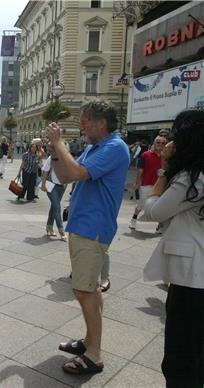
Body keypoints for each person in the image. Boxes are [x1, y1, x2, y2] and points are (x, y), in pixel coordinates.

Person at [46, 99, 129, 375]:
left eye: (84, 121)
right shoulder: (97, 147)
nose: (81, 126)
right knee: (90, 288)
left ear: (101, 123)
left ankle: (94, 354)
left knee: (82, 290)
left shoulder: (114, 147)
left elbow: (79, 172)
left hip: (92, 228)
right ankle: (90, 341)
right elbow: (66, 176)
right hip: (84, 225)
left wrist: (60, 143)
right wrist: (56, 151)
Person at [142, 108, 204, 388]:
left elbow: (154, 211)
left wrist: (164, 169)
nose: (170, 142)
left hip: (192, 280)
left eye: (176, 134)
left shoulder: (193, 179)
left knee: (181, 359)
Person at [130, 136, 165, 230]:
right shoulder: (146, 154)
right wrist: (138, 182)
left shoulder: (165, 157)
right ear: (154, 143)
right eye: (158, 142)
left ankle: (160, 226)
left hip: (160, 185)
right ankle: (134, 219)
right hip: (147, 184)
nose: (160, 144)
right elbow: (140, 170)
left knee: (161, 205)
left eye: (162, 143)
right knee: (141, 204)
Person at [41, 144, 67, 241]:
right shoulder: (51, 158)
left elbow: (67, 172)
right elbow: (45, 171)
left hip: (61, 186)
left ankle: (49, 227)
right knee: (57, 207)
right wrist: (43, 185)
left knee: (54, 207)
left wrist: (66, 184)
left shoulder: (65, 159)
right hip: (51, 186)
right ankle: (62, 231)